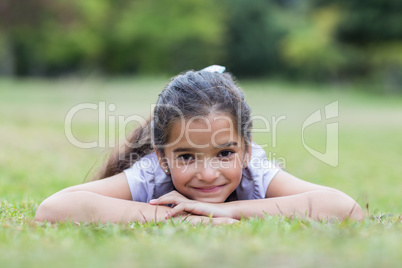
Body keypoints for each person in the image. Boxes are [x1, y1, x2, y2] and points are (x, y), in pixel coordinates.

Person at [35, 66, 364, 225]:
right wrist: (187, 218)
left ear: (246, 151)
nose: (208, 174)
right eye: (187, 156)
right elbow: (51, 210)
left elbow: (345, 209)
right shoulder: (152, 172)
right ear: (162, 158)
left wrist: (227, 210)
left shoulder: (254, 170)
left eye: (224, 153)